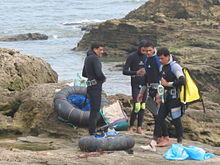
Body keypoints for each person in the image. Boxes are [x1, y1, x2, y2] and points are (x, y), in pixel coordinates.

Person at [137, 41, 165, 145]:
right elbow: (146, 77)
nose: (148, 52)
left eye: (150, 50)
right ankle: (159, 137)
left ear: (154, 49)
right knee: (155, 114)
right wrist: (141, 92)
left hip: (159, 89)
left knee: (159, 114)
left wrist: (160, 93)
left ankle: (159, 137)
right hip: (151, 89)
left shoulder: (158, 60)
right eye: (146, 51)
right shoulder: (147, 59)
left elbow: (162, 75)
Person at [156, 47, 185, 145]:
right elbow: (161, 82)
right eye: (159, 59)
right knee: (159, 117)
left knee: (176, 119)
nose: (160, 61)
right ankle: (163, 138)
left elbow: (182, 81)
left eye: (162, 58)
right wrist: (159, 95)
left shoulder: (174, 66)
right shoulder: (162, 67)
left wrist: (169, 84)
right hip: (165, 96)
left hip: (175, 97)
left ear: (168, 57)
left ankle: (179, 141)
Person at [123, 40, 148, 134]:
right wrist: (136, 72)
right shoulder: (132, 56)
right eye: (143, 49)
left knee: (143, 106)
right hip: (135, 84)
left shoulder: (147, 57)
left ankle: (139, 127)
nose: (145, 51)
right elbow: (124, 71)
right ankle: (131, 126)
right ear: (139, 47)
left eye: (146, 50)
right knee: (137, 106)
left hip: (145, 84)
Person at [82, 43, 106, 135]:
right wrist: (103, 78)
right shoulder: (95, 58)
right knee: (95, 110)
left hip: (90, 86)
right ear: (94, 49)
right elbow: (99, 74)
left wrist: (91, 76)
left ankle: (91, 130)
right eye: (100, 50)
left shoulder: (87, 58)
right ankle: (92, 131)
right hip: (96, 87)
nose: (102, 52)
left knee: (93, 109)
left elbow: (84, 73)